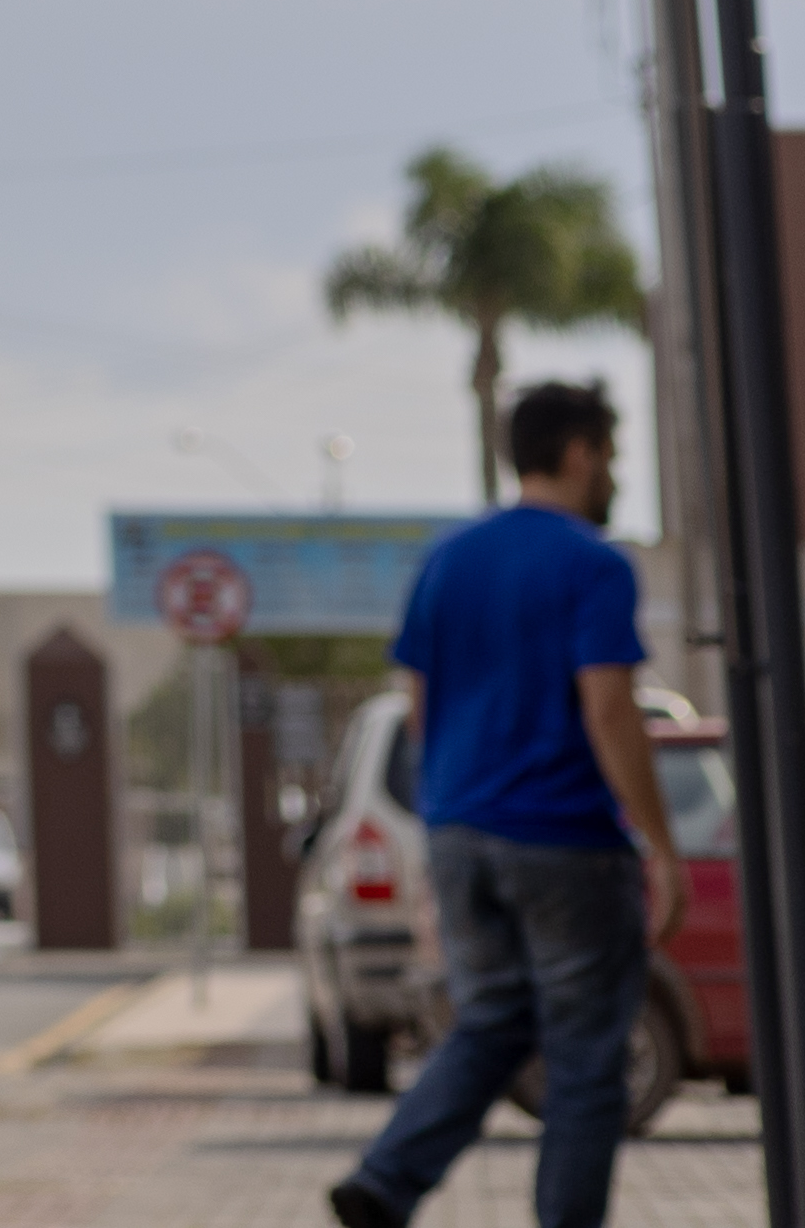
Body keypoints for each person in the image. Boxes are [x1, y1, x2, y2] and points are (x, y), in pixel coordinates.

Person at [333, 377, 681, 1228]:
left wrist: (446, 822)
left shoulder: (447, 560)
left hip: (459, 832)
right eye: (608, 453)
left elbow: (419, 706)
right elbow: (608, 707)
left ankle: (386, 1178)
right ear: (577, 451)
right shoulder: (593, 561)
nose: (612, 473)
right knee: (587, 1055)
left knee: (490, 1021)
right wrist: (662, 845)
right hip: (562, 836)